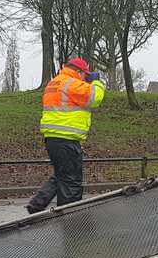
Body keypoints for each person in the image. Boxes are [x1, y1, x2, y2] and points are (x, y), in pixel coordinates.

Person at [26, 56, 106, 213]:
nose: (86, 78)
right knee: (71, 182)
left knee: (61, 176)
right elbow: (94, 98)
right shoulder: (72, 83)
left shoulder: (54, 82)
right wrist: (96, 82)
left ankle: (36, 205)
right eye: (85, 75)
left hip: (52, 138)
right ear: (78, 72)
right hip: (67, 140)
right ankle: (69, 216)